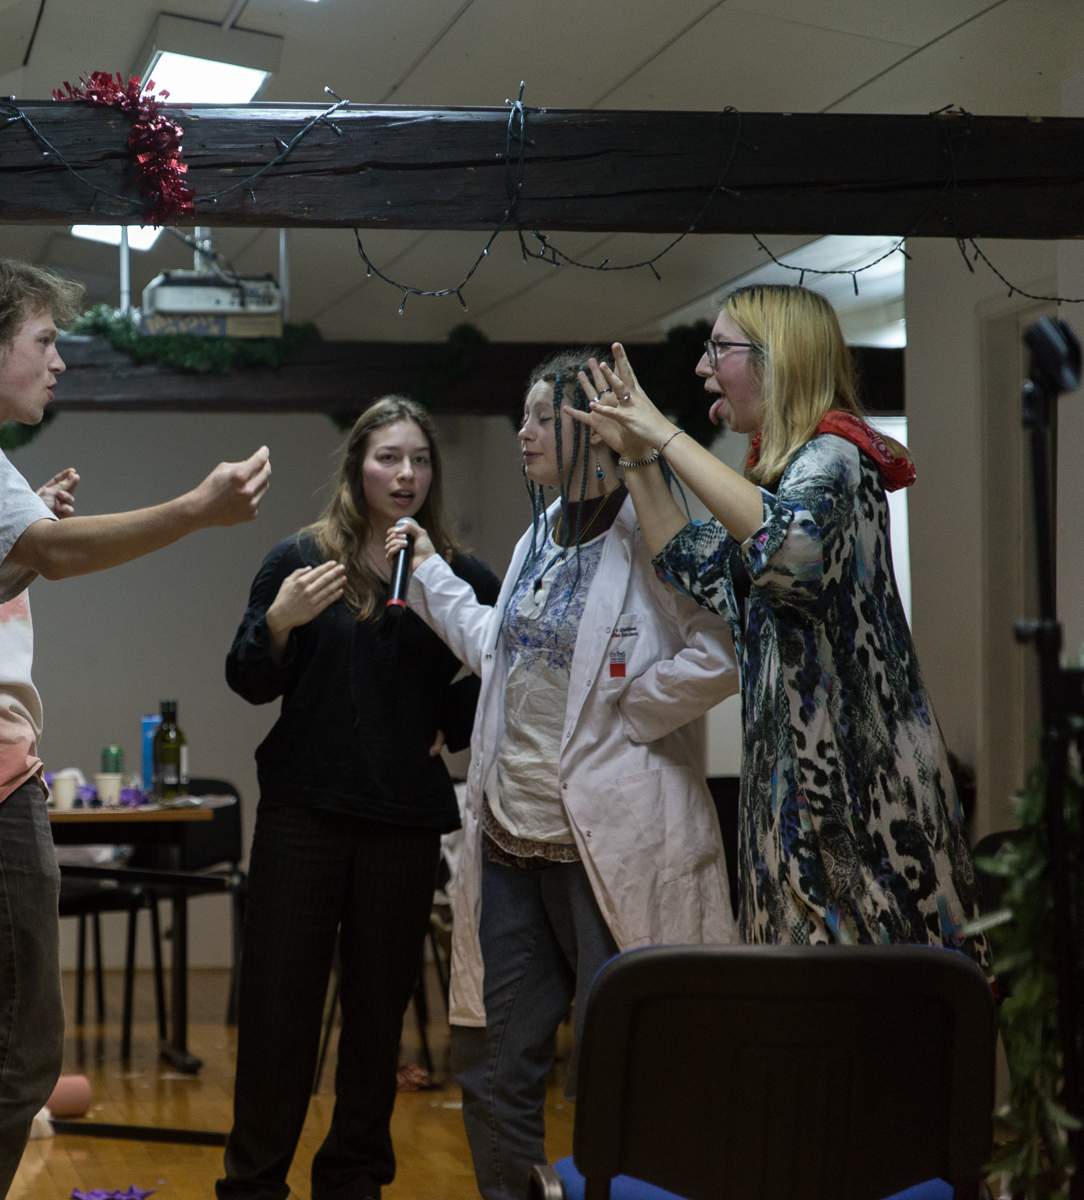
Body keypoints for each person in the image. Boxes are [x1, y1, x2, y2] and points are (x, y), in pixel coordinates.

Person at [0, 255, 271, 1200]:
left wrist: (28, 520)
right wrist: (196, 510)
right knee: (19, 1048)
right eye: (44, 341)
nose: (58, 362)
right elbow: (47, 554)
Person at [386, 350, 740, 1199]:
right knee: (493, 1061)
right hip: (512, 839)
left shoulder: (652, 528)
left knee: (618, 1063)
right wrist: (429, 571)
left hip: (605, 846)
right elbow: (503, 653)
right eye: (525, 416)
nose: (525, 432)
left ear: (594, 429)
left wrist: (636, 707)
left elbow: (723, 647)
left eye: (543, 418)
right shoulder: (540, 533)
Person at [564, 284, 987, 961]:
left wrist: (665, 434)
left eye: (719, 349)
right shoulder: (786, 477)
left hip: (858, 799)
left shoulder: (835, 458)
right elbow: (697, 566)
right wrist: (637, 456)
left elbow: (790, 550)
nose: (703, 367)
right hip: (797, 796)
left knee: (864, 1006)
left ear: (777, 358)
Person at [220, 396, 499, 1200]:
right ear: (357, 467)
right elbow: (247, 679)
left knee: (377, 1022)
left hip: (402, 823)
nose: (406, 474)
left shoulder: (459, 574)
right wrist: (279, 621)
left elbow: (499, 676)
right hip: (302, 815)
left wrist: (449, 720)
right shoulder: (301, 558)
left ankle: (353, 1180)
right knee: (279, 1013)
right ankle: (254, 1185)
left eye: (420, 460)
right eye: (388, 458)